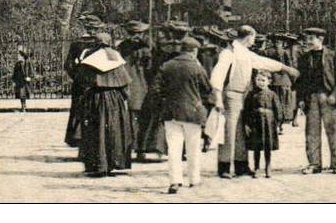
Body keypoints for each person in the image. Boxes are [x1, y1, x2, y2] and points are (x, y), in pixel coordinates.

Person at [209, 25, 298, 177]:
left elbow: (262, 62)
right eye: (253, 37)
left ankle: (241, 164)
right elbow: (217, 75)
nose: (254, 41)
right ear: (249, 36)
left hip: (243, 95)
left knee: (242, 132)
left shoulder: (244, 52)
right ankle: (224, 166)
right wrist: (218, 98)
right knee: (229, 132)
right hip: (231, 95)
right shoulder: (228, 52)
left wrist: (284, 68)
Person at [155, 36, 213, 194]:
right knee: (193, 147)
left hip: (171, 112)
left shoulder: (167, 66)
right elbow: (207, 89)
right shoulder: (197, 68)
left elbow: (156, 88)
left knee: (174, 148)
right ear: (194, 51)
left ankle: (175, 181)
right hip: (192, 112)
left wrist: (166, 100)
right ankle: (194, 179)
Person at [73, 31, 134, 177]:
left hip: (96, 98)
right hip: (115, 99)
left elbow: (81, 81)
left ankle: (97, 163)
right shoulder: (115, 58)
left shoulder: (90, 59)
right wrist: (124, 97)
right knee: (115, 130)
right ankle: (114, 162)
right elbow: (125, 83)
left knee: (96, 130)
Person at [296, 27, 336, 174]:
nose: (308, 42)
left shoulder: (332, 56)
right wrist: (300, 98)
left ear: (320, 39)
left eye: (311, 39)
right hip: (311, 99)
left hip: (328, 97)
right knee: (312, 132)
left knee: (333, 131)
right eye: (307, 39)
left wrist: (335, 95)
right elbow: (300, 81)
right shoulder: (304, 57)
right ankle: (314, 164)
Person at [64, 13, 105, 147]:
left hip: (81, 83)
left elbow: (68, 65)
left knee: (79, 109)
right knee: (97, 109)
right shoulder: (101, 44)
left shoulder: (77, 44)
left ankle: (78, 136)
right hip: (98, 82)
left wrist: (77, 77)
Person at [118, 20, 152, 160]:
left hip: (127, 84)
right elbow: (150, 69)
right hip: (142, 86)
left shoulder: (121, 47)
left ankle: (128, 148)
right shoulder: (146, 49)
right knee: (142, 119)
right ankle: (141, 149)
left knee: (129, 119)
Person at [243, 70, 281, 178]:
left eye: (263, 80)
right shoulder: (251, 94)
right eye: (258, 80)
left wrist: (278, 124)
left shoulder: (272, 94)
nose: (260, 82)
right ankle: (256, 167)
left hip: (269, 123)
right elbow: (246, 110)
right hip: (255, 123)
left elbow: (278, 109)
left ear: (269, 81)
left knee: (267, 145)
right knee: (256, 146)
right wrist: (247, 124)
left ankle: (268, 167)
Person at [268, 33, 298, 133]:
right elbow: (289, 66)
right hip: (284, 81)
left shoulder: (269, 51)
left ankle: (276, 124)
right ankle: (280, 125)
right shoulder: (285, 52)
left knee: (274, 103)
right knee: (282, 103)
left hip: (273, 81)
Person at [12, 47, 32, 112]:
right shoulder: (17, 63)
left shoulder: (27, 62)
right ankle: (23, 106)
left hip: (25, 81)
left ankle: (24, 105)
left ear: (22, 55)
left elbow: (31, 70)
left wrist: (30, 77)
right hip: (19, 81)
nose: (18, 56)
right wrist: (14, 80)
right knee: (21, 94)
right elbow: (14, 72)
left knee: (24, 94)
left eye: (20, 55)